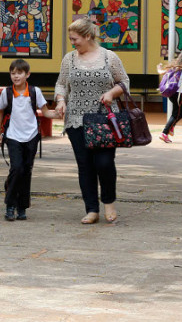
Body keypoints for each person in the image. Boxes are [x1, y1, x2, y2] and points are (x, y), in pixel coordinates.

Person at [53, 18, 129, 224]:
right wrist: (61, 101)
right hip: (76, 120)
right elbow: (61, 84)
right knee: (85, 165)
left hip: (104, 119)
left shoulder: (109, 57)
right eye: (71, 39)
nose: (73, 43)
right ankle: (91, 209)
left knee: (104, 163)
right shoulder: (69, 59)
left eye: (75, 39)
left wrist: (112, 93)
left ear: (88, 36)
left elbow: (124, 82)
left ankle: (109, 202)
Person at [0, 59, 58, 222]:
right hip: (13, 136)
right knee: (16, 168)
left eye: (19, 73)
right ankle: (10, 205)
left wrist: (59, 113)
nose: (16, 76)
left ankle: (22, 207)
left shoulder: (35, 91)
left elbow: (46, 112)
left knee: (26, 171)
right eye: (13, 73)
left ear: (27, 74)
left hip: (31, 137)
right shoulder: (7, 92)